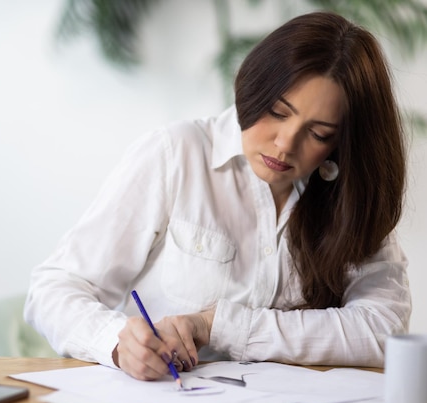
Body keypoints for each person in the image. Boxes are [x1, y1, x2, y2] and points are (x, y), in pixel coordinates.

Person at [24, 11, 411, 381]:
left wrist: (218, 326)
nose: (284, 144)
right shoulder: (176, 155)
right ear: (254, 87)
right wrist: (115, 343)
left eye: (319, 133)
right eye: (277, 111)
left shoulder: (352, 193)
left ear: (342, 141)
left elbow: (383, 328)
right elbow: (54, 288)